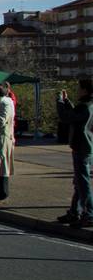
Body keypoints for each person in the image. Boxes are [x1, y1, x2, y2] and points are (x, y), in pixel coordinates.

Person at [56, 80, 93, 228]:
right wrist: (67, 101)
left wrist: (59, 102)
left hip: (82, 146)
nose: (77, 91)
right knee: (79, 182)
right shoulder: (88, 106)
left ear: (85, 90)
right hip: (87, 145)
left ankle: (89, 213)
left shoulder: (85, 106)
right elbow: (74, 114)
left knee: (83, 183)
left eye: (79, 89)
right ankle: (74, 211)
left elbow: (67, 117)